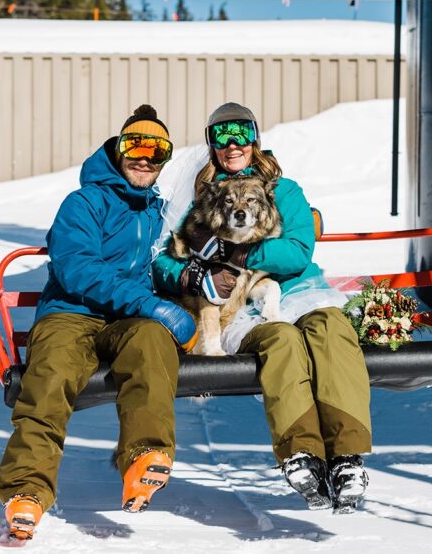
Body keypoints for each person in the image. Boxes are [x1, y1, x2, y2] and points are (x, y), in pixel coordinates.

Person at [152, 102, 372, 513]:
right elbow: (168, 255)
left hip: (298, 292)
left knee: (332, 329)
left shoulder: (284, 192)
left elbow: (297, 251)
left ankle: (346, 457)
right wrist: (190, 276)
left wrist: (236, 252)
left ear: (255, 137)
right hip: (243, 309)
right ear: (211, 145)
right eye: (221, 136)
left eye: (240, 133)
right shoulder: (206, 197)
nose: (232, 145)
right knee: (281, 340)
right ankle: (301, 453)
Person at [0, 105, 197, 542]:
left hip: (127, 322)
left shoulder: (159, 211)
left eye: (156, 150)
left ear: (165, 159)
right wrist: (150, 302)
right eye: (134, 146)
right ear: (117, 149)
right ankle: (26, 489)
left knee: (150, 342)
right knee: (50, 378)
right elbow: (77, 268)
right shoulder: (85, 202)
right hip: (71, 314)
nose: (144, 158)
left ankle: (145, 454)